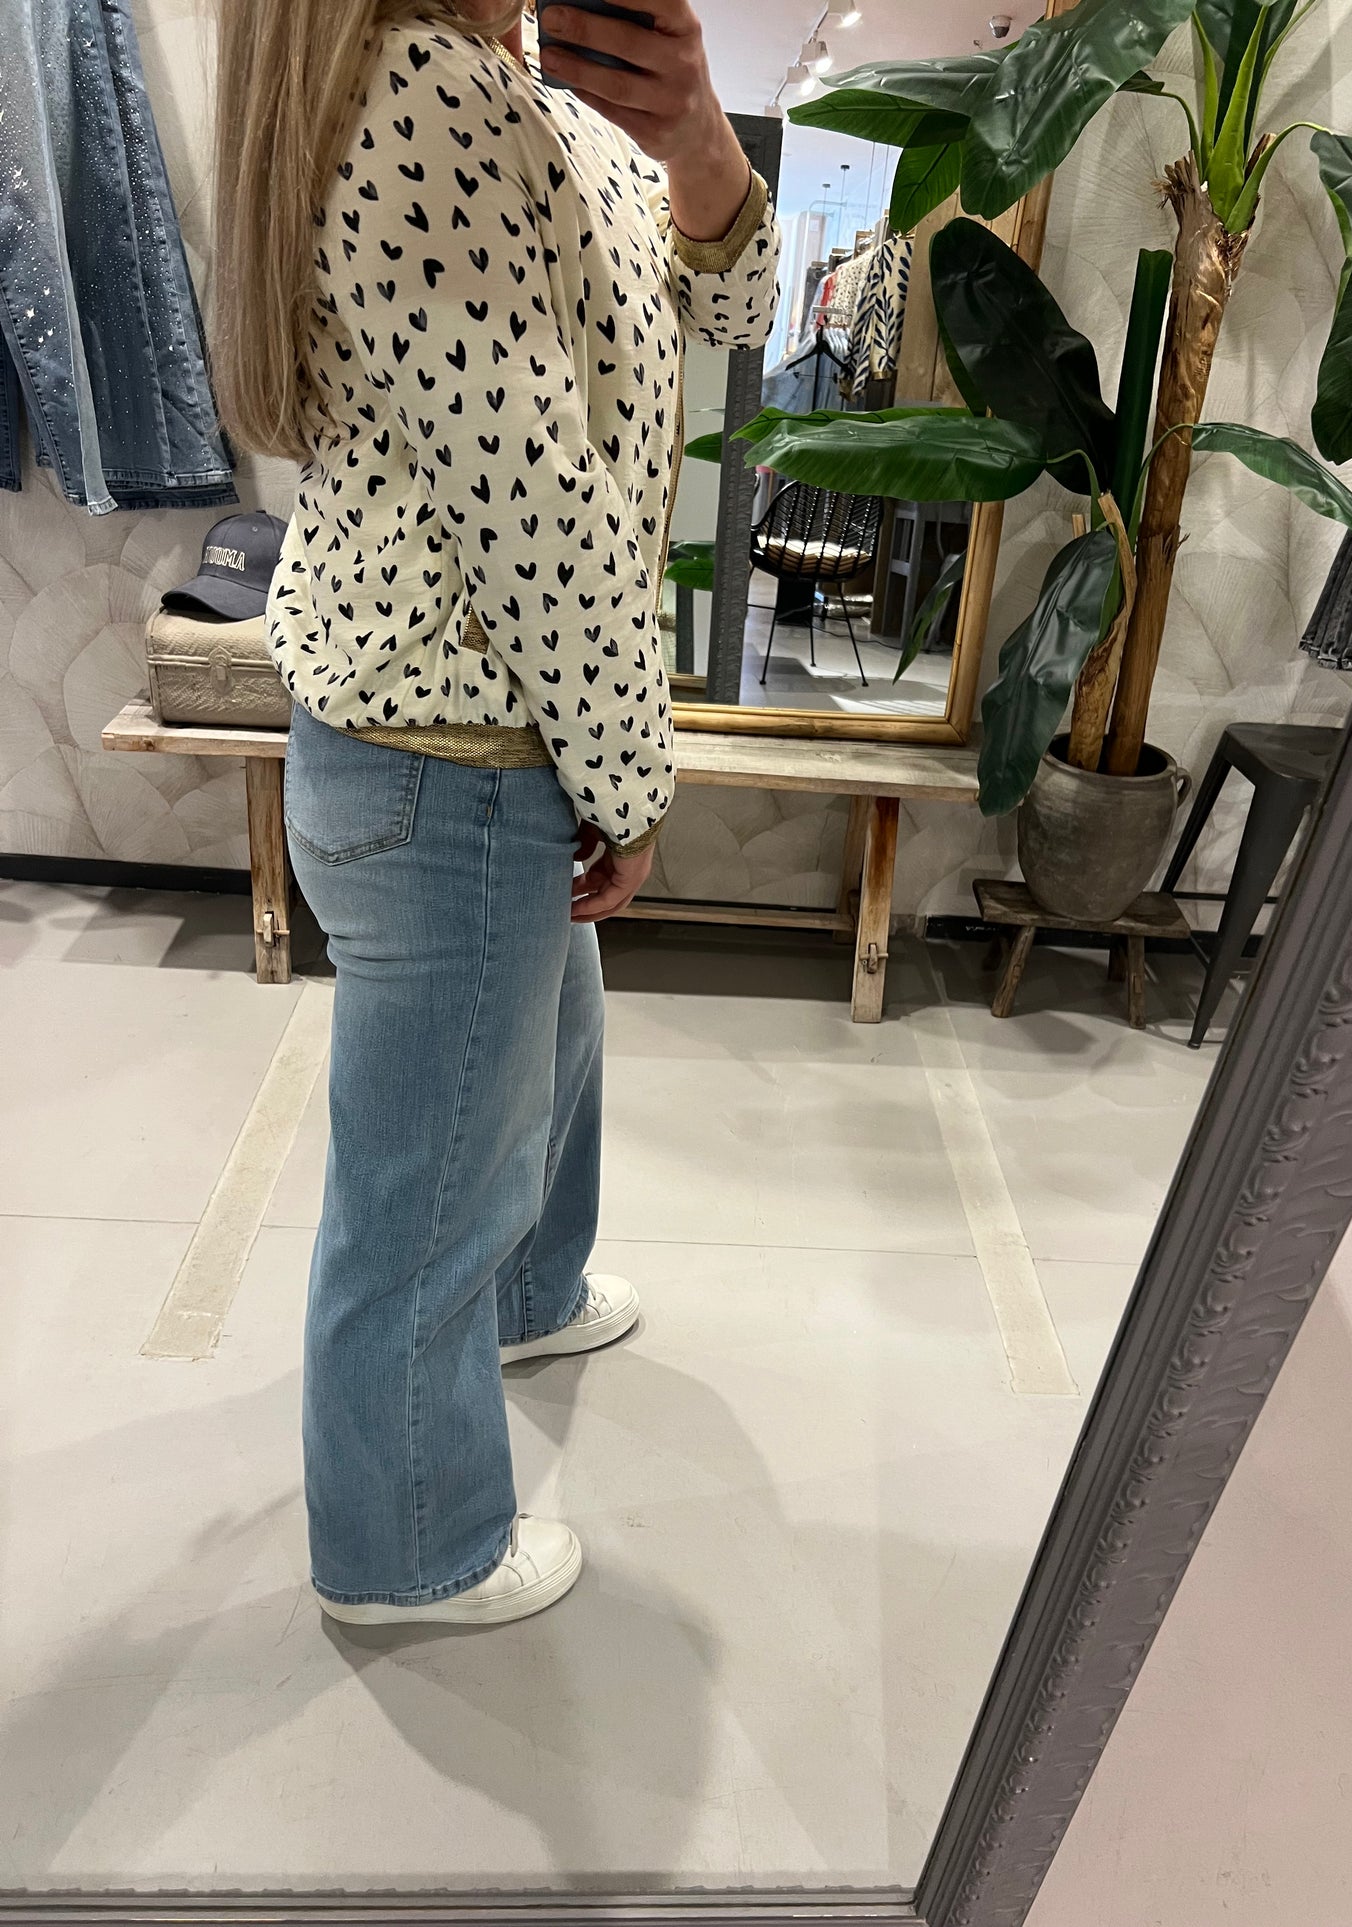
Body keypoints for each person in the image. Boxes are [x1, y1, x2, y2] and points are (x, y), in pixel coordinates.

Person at [211, 0, 780, 1627]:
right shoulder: (424, 93)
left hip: (460, 731)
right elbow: (548, 522)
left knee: (540, 1058)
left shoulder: (525, 89)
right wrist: (631, 790)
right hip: (452, 754)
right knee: (420, 1200)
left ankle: (531, 1294)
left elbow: (729, 312)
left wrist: (700, 143)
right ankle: (406, 1552)